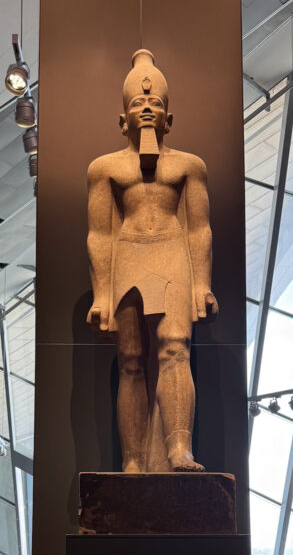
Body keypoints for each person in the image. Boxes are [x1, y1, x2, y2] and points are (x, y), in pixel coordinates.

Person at [86, 49, 218, 473]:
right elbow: (100, 233)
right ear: (123, 119)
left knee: (176, 348)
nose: (147, 108)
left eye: (155, 103)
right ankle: (133, 460)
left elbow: (199, 229)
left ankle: (179, 450)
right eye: (138, 104)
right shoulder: (104, 168)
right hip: (127, 255)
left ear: (169, 119)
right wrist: (101, 295)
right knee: (129, 360)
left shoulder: (188, 166)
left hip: (173, 253)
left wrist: (202, 285)